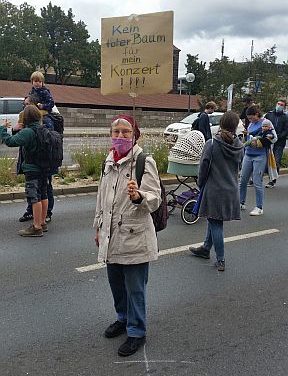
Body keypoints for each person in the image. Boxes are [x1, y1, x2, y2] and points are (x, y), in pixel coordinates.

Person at [94, 114, 161, 357]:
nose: (120, 136)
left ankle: (136, 331)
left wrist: (138, 196)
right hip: (110, 235)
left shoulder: (144, 161)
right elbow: (101, 198)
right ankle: (122, 319)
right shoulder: (108, 161)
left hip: (134, 236)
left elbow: (155, 198)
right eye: (116, 132)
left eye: (126, 132)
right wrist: (98, 227)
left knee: (135, 288)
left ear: (135, 135)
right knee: (117, 285)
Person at [189, 111, 243, 271]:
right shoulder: (239, 146)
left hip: (214, 189)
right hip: (231, 190)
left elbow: (203, 167)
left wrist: (200, 183)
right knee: (213, 219)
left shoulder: (212, 144)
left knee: (215, 222)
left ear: (221, 124)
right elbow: (239, 166)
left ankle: (221, 259)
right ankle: (205, 248)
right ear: (235, 126)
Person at [0, 105, 49, 237]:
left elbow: (10, 141)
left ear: (26, 118)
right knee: (43, 194)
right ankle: (43, 223)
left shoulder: (28, 132)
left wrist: (2, 129)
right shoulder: (43, 129)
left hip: (32, 169)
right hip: (44, 168)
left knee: (34, 197)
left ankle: (36, 227)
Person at [15, 95, 55, 223]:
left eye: (27, 104)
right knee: (38, 192)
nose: (24, 107)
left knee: (40, 192)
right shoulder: (29, 125)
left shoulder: (45, 120)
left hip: (40, 164)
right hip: (36, 163)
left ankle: (43, 218)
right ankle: (35, 215)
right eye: (24, 104)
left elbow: (13, 140)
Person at [239, 106, 276, 216]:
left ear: (257, 114)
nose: (250, 120)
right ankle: (241, 202)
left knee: (257, 182)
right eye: (249, 119)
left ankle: (259, 207)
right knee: (243, 180)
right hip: (248, 154)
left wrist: (261, 143)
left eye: (252, 118)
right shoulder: (251, 124)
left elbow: (274, 138)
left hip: (259, 156)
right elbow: (249, 137)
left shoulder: (266, 122)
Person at [264, 99, 288, 188]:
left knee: (276, 161)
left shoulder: (285, 117)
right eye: (278, 104)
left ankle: (272, 181)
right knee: (264, 161)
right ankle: (255, 178)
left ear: (284, 107)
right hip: (268, 142)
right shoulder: (269, 114)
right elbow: (264, 125)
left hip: (279, 143)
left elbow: (286, 130)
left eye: (281, 105)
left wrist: (277, 136)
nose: (279, 105)